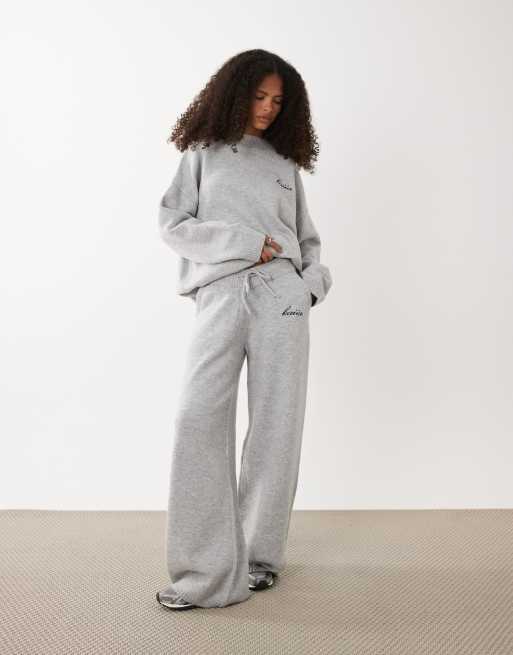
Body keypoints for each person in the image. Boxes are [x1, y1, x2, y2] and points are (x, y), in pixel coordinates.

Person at [156, 48, 332, 610]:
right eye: (259, 96)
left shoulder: (284, 164)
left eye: (278, 101)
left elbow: (307, 241)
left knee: (277, 425)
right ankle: (204, 572)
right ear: (234, 93)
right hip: (222, 293)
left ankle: (260, 556)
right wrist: (244, 243)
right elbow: (174, 224)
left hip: (283, 297)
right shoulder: (202, 152)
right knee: (198, 418)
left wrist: (310, 286)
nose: (268, 108)